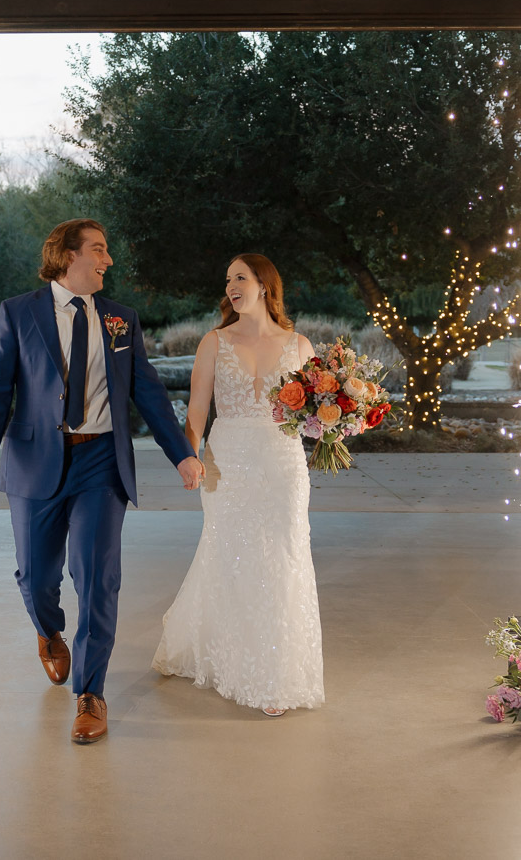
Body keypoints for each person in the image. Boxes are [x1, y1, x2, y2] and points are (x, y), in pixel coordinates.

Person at [0, 219, 203, 744]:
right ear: (67, 255)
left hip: (101, 461)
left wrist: (183, 455)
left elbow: (148, 392)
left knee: (98, 576)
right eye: (98, 249)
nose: (108, 260)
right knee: (35, 576)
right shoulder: (19, 312)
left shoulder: (121, 319)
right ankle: (47, 630)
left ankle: (90, 693)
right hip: (35, 460)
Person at [152, 254, 325, 716]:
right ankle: (234, 659)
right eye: (228, 278)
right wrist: (188, 457)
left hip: (283, 463)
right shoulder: (214, 342)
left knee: (285, 555)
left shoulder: (300, 346)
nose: (231, 285)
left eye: (240, 277)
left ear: (264, 285)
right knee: (230, 554)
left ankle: (277, 672)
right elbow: (197, 410)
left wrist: (336, 421)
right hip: (227, 462)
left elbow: (314, 413)